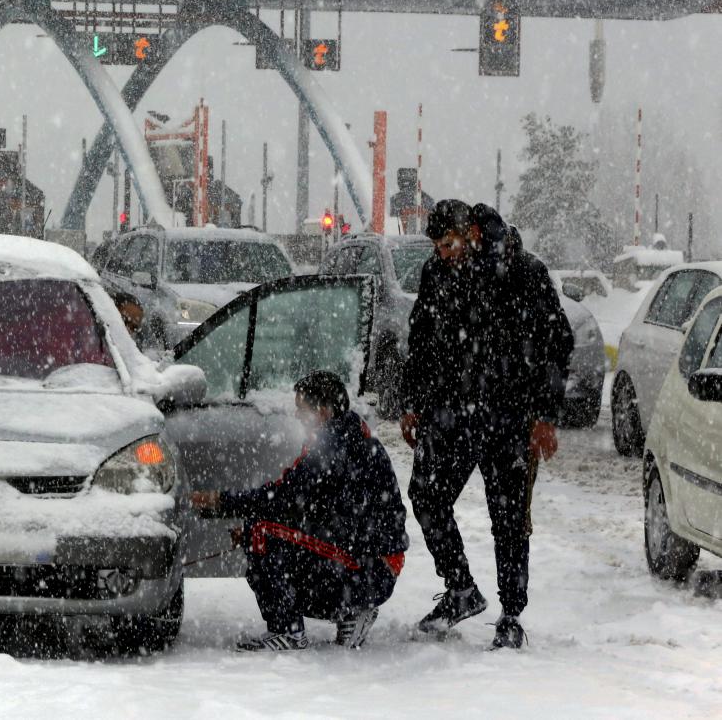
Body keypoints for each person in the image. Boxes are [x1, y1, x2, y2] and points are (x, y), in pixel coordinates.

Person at [399, 200, 573, 650]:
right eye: (437, 247)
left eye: (450, 243)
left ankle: (511, 614)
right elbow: (420, 340)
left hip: (508, 418)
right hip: (448, 414)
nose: (444, 253)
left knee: (510, 520)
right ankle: (460, 588)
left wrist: (545, 416)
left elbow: (556, 343)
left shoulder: (522, 270)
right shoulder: (436, 273)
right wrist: (413, 402)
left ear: (473, 231)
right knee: (426, 495)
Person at [191, 371, 407, 651]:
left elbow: (281, 498)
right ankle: (352, 611)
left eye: (301, 409)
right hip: (372, 567)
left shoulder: (334, 447)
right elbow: (302, 505)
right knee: (261, 531)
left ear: (324, 411)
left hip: (370, 569)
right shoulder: (345, 436)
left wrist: (220, 500)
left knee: (260, 529)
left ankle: (289, 631)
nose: (295, 415)